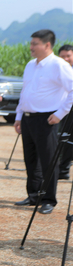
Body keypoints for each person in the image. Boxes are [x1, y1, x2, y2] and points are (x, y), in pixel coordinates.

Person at [14, 31, 73, 214]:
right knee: (31, 159)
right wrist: (18, 116)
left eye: (35, 44)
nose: (31, 47)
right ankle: (34, 195)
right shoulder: (31, 65)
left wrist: (60, 114)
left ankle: (48, 199)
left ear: (47, 45)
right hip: (28, 117)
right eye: (31, 43)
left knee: (48, 161)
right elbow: (25, 92)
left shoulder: (58, 65)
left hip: (47, 119)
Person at [58, 44, 73, 179]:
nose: (66, 59)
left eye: (68, 56)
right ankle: (62, 170)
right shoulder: (58, 70)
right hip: (62, 112)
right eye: (62, 56)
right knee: (64, 139)